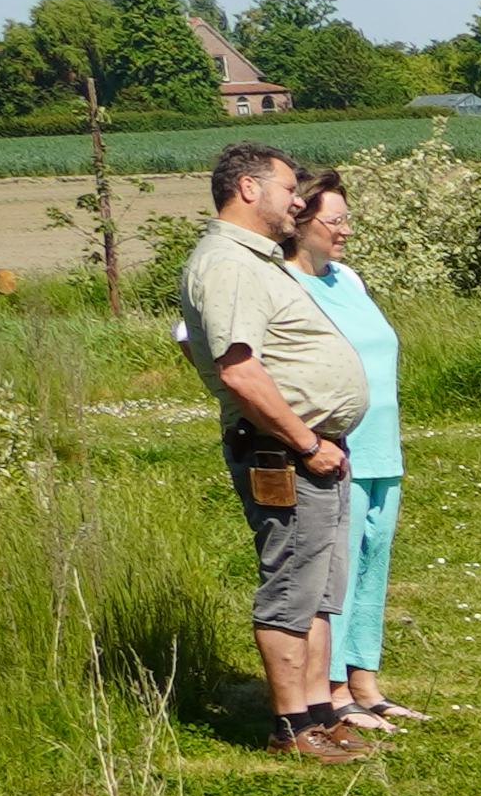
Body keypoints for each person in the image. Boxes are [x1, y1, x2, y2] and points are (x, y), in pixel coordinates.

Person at [178, 142, 372, 760]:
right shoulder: (228, 263)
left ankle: (318, 715)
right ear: (248, 189)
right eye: (290, 189)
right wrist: (305, 440)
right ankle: (291, 728)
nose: (298, 201)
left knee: (318, 591)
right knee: (291, 588)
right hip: (285, 454)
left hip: (312, 450)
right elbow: (238, 368)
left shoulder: (252, 259)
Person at [284, 167, 426, 727]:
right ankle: (334, 692)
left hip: (382, 446)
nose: (344, 230)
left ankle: (365, 680)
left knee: (374, 562)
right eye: (334, 220)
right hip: (334, 448)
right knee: (335, 574)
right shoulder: (283, 284)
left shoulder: (348, 278)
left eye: (346, 219)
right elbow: (194, 339)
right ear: (300, 222)